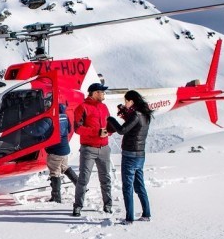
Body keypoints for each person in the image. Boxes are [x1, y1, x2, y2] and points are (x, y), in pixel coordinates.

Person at [107, 90, 153, 225]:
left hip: (129, 155)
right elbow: (133, 126)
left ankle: (129, 219)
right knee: (139, 185)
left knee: (128, 187)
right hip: (140, 155)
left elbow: (122, 130)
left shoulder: (136, 115)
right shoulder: (144, 114)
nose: (125, 103)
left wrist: (110, 119)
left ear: (132, 101)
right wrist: (126, 114)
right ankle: (146, 214)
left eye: (126, 101)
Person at [72, 83, 113, 217]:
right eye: (102, 92)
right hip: (88, 149)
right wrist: (97, 132)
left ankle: (108, 205)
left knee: (106, 178)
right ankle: (77, 206)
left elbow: (109, 124)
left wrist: (110, 131)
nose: (103, 94)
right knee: (83, 179)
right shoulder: (82, 107)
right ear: (95, 93)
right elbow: (77, 128)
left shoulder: (104, 107)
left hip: (104, 148)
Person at [45, 101, 78, 203]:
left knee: (55, 173)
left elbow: (41, 130)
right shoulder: (65, 116)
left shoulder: (52, 118)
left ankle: (56, 197)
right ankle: (81, 186)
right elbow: (69, 130)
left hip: (55, 150)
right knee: (65, 167)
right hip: (64, 148)